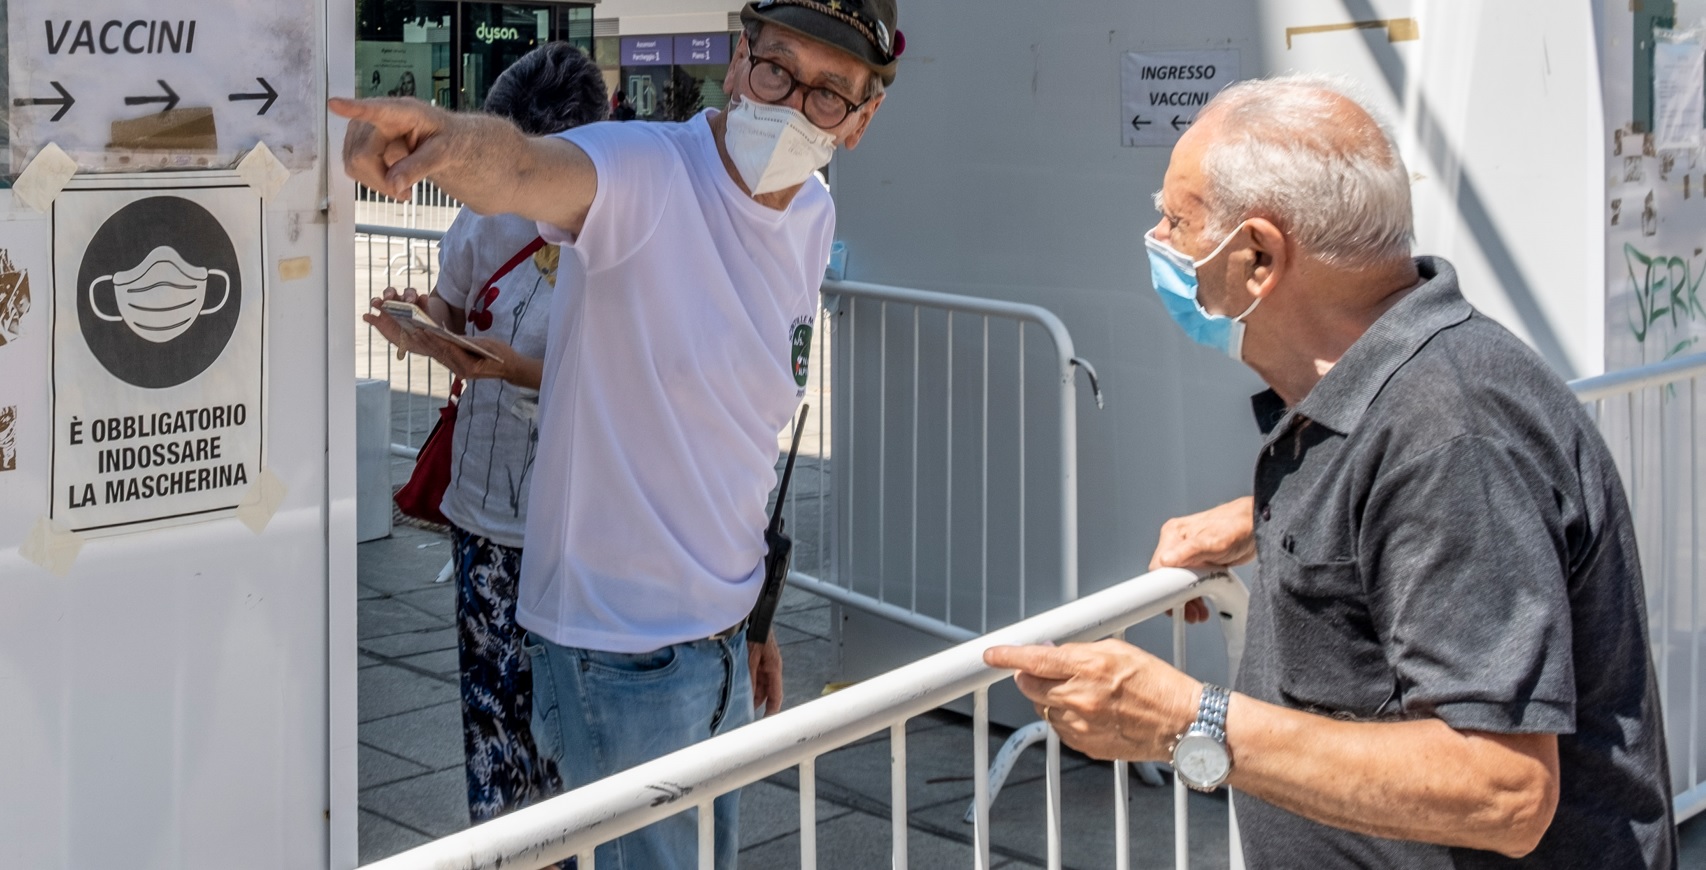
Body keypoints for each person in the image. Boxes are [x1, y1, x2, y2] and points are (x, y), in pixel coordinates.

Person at [985, 75, 1677, 868]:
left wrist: (1183, 718)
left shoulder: (1450, 432)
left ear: (1257, 256)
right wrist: (1274, 516)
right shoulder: (1398, 396)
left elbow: (1503, 792)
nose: (1157, 237)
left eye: (1176, 219)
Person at [333, 2, 903, 866]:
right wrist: (440, 141)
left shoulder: (811, 213)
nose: (790, 106)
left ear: (863, 119)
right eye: (778, 67)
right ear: (739, 58)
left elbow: (737, 441)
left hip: (718, 644)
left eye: (829, 92)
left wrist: (754, 619)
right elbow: (522, 168)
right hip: (618, 660)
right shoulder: (647, 171)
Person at [361, 42, 607, 826]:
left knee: (571, 720)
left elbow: (620, 381)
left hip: (581, 518)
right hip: (485, 510)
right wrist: (421, 328)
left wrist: (517, 371)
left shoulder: (615, 235)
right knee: (493, 708)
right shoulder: (473, 224)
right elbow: (459, 319)